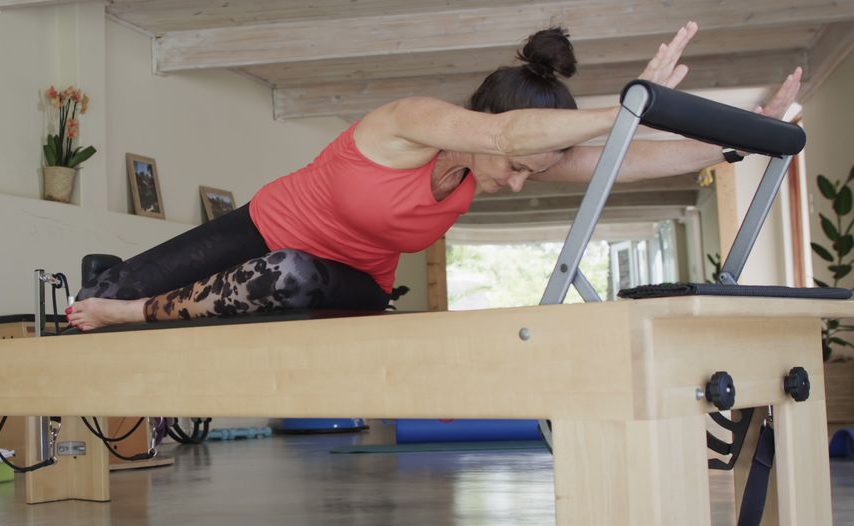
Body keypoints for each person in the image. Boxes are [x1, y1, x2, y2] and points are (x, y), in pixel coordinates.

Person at [67, 21, 801, 331]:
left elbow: (625, 165)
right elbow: (512, 136)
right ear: (486, 130)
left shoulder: (503, 159)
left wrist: (739, 143)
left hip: (345, 279)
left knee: (286, 274)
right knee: (99, 294)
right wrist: (628, 106)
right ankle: (116, 298)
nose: (514, 182)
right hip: (261, 223)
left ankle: (130, 314)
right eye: (513, 169)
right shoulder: (411, 119)